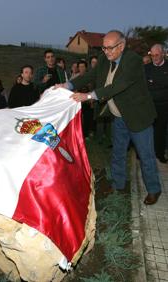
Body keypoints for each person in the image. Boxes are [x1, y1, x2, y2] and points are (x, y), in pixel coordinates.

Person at [56, 30, 161, 205]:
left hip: (138, 117)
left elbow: (117, 86)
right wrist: (68, 85)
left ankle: (153, 190)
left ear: (122, 45)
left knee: (146, 156)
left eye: (110, 48)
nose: (106, 52)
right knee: (118, 153)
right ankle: (118, 184)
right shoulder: (105, 57)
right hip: (119, 117)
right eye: (104, 48)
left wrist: (88, 96)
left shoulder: (133, 61)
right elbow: (90, 75)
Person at [145, 44, 168, 163]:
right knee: (148, 130)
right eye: (152, 55)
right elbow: (144, 86)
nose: (154, 57)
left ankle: (160, 153)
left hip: (164, 106)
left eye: (157, 55)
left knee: (161, 130)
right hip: (149, 105)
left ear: (163, 54)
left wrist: (154, 84)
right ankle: (146, 154)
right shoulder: (146, 68)